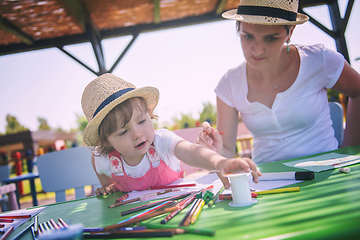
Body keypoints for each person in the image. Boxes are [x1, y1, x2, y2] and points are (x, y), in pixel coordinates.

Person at [197, 0, 360, 165]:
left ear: (290, 31)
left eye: (271, 38)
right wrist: (214, 151)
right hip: (267, 181)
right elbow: (226, 151)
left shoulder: (320, 60)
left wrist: (351, 152)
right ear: (239, 28)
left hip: (327, 172)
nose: (257, 50)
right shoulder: (229, 85)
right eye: (248, 36)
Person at [81, 73, 260, 196]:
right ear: (106, 141)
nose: (137, 134)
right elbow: (95, 162)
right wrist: (107, 186)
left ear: (150, 113)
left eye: (142, 121)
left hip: (179, 212)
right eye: (122, 132)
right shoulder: (106, 160)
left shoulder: (161, 141)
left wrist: (220, 162)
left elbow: (190, 151)